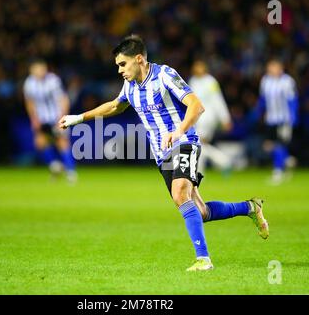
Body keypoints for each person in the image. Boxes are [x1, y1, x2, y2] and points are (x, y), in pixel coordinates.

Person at [59, 35, 269, 271]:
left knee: (180, 193)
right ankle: (250, 207)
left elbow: (196, 105)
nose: (119, 70)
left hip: (185, 142)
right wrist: (79, 117)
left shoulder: (164, 75)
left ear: (138, 59)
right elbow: (116, 105)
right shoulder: (130, 85)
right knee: (201, 211)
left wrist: (179, 130)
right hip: (162, 154)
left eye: (122, 64)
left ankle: (203, 259)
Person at [23, 59, 77, 183]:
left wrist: (62, 118)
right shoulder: (29, 83)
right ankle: (56, 167)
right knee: (40, 143)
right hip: (41, 119)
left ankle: (71, 173)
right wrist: (34, 119)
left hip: (56, 117)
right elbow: (29, 102)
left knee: (62, 143)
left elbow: (63, 99)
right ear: (32, 70)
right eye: (37, 69)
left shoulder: (53, 80)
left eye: (42, 69)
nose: (40, 72)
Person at [256, 59, 298, 184]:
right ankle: (287, 160)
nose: (271, 70)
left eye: (274, 67)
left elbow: (292, 99)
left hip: (284, 119)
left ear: (280, 68)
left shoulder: (287, 81)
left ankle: (278, 171)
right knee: (269, 145)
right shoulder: (265, 81)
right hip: (271, 118)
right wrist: (259, 112)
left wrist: (293, 116)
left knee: (279, 144)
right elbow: (263, 99)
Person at [188, 60, 233, 174]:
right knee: (200, 144)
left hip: (208, 118)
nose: (198, 68)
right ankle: (223, 162)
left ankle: (221, 163)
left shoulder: (210, 81)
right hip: (196, 118)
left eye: (200, 66)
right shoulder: (193, 81)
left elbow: (218, 100)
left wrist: (225, 118)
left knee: (197, 143)